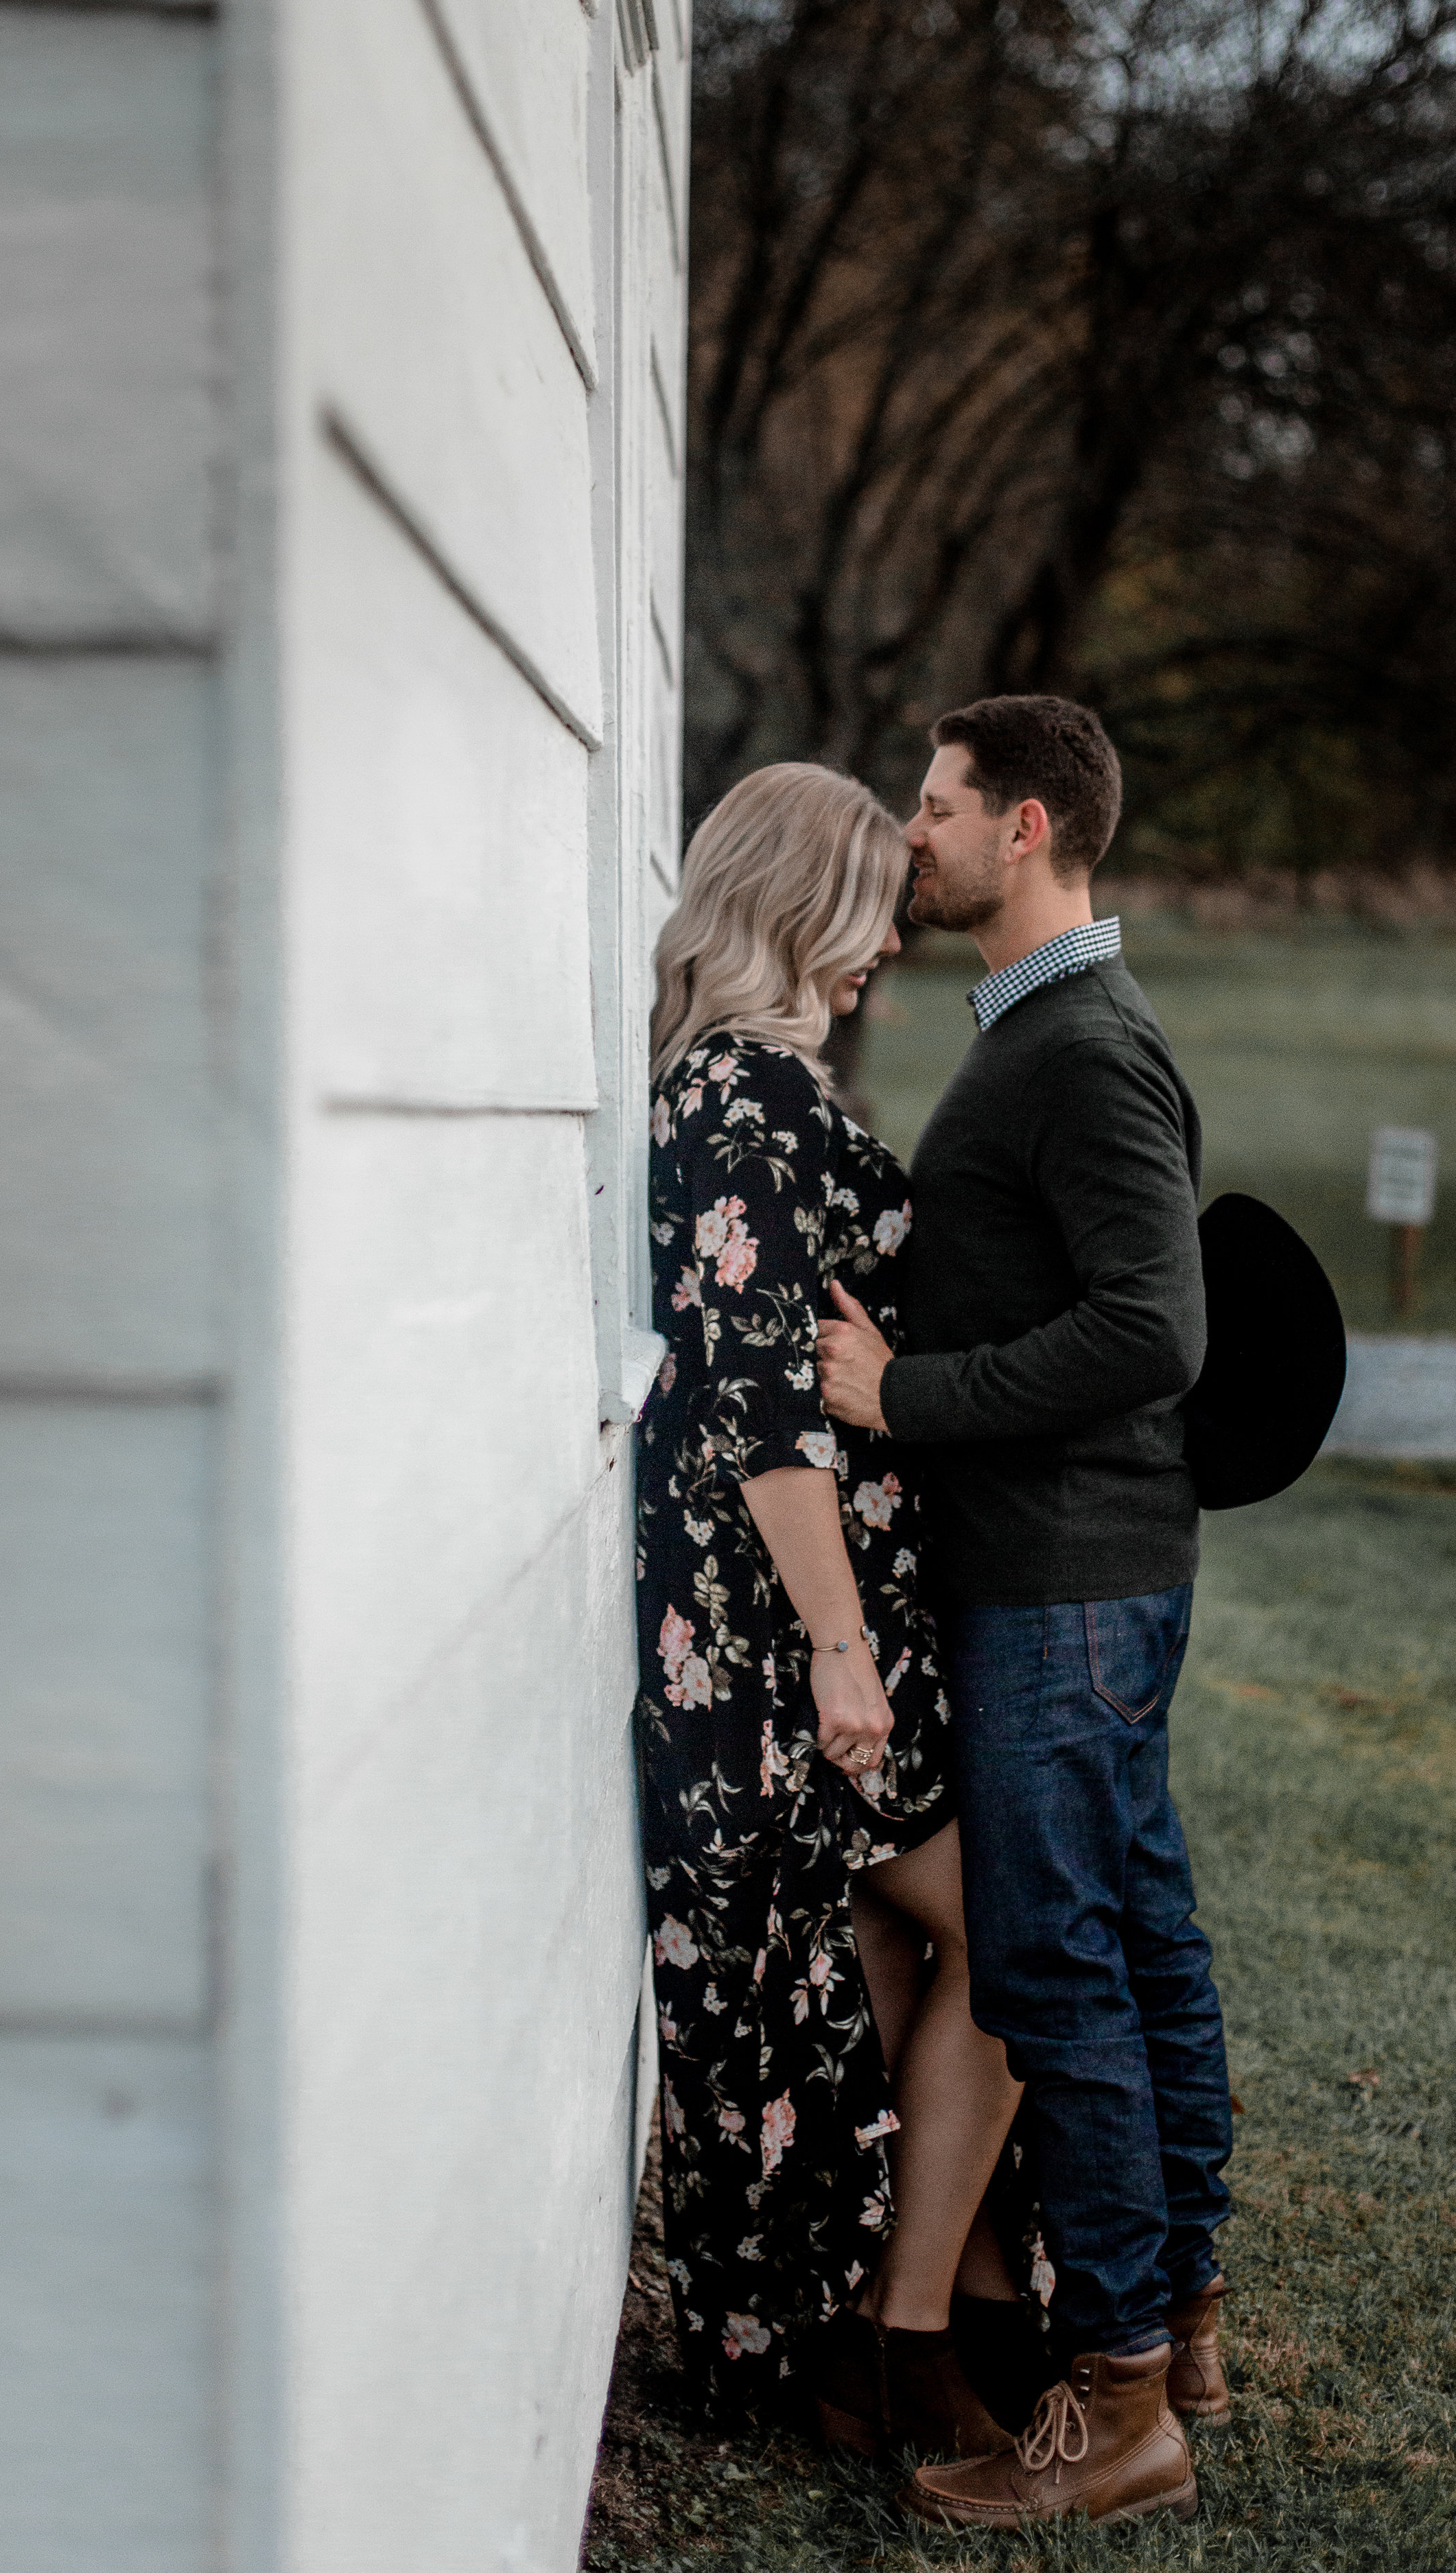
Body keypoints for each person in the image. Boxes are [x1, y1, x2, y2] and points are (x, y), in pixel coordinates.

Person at [818, 694, 1232, 2531]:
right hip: (1068, 1569)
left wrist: (903, 1396)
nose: (911, 834)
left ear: (1031, 825)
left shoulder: (1079, 1045)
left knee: (1058, 1960)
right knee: (1128, 1938)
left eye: (936, 807)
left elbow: (1156, 1327)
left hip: (1062, 1577)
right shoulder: (1044, 1029)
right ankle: (1181, 2318)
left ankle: (1119, 2396)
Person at [636, 762, 1031, 2463]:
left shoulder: (734, 1084)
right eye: (868, 901)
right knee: (1021, 1934)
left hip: (783, 1629)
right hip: (787, 1638)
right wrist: (841, 1648)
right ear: (801, 902)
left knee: (873, 1952)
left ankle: (908, 2312)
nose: (885, 939)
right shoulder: (748, 1100)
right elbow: (761, 1406)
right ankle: (901, 2328)